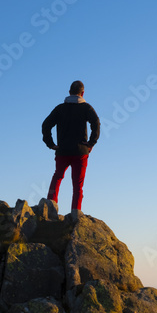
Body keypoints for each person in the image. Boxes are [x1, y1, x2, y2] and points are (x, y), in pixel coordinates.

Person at [42, 80, 100, 213]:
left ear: (69, 92)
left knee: (57, 177)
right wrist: (91, 143)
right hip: (80, 152)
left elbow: (46, 125)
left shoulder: (60, 109)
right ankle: (75, 213)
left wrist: (51, 144)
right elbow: (96, 123)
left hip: (62, 151)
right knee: (78, 186)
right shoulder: (86, 108)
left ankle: (50, 206)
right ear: (83, 93)